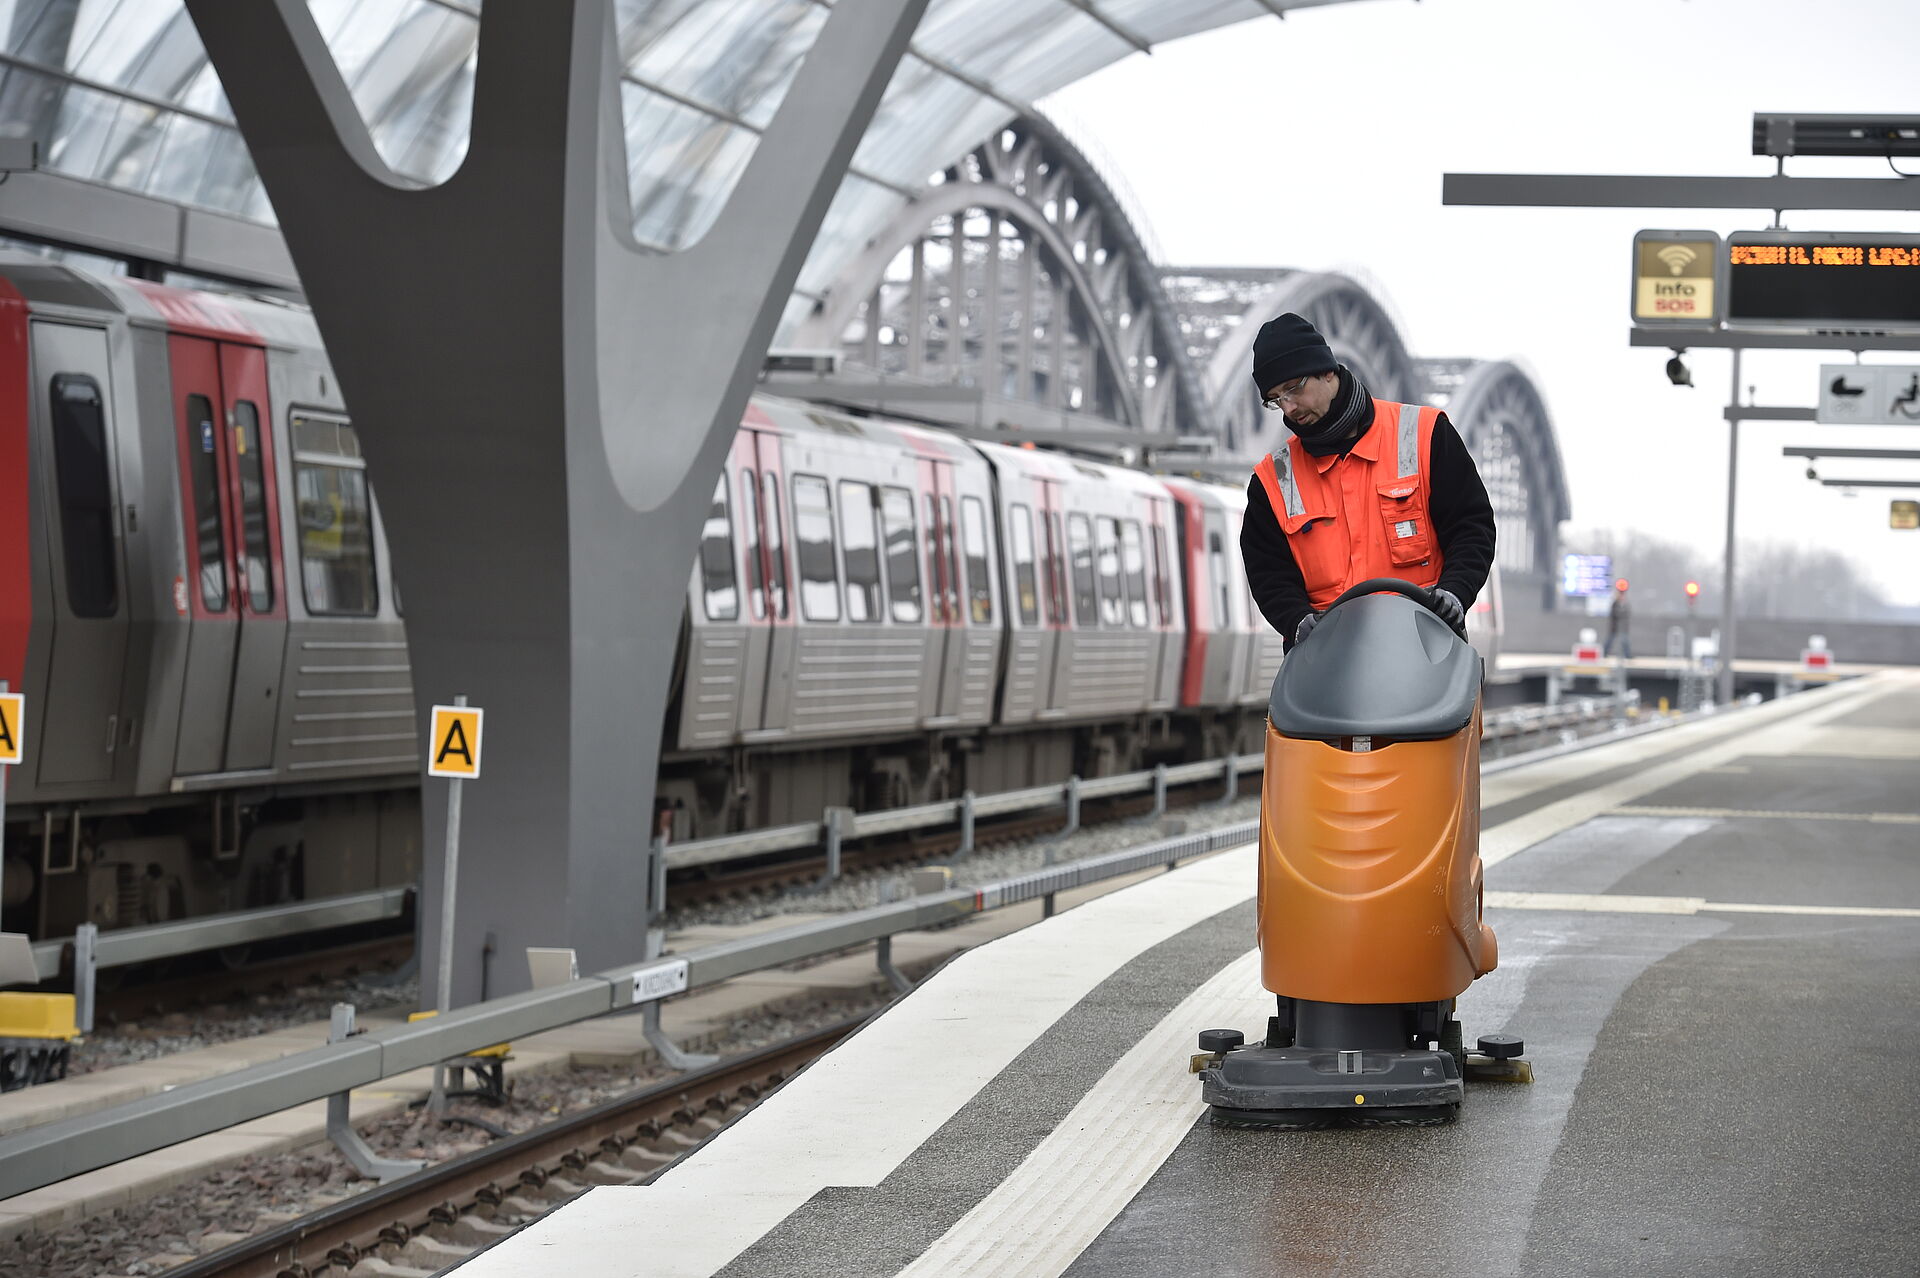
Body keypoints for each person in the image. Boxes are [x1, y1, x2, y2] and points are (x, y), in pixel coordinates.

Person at [1240, 313, 1496, 649]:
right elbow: (1268, 571)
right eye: (1276, 399)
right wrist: (1296, 620)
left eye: (1293, 388)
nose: (1288, 408)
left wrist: (1456, 592)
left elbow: (1471, 527)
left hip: (1424, 652)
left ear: (1327, 371)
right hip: (1328, 664)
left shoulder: (1426, 435)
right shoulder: (1273, 481)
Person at [1605, 580, 1632, 659]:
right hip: (1615, 626)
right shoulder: (1615, 603)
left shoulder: (1625, 603)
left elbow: (1627, 613)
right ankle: (1605, 653)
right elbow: (1615, 614)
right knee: (1610, 640)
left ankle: (1628, 655)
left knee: (1625, 641)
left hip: (1623, 627)